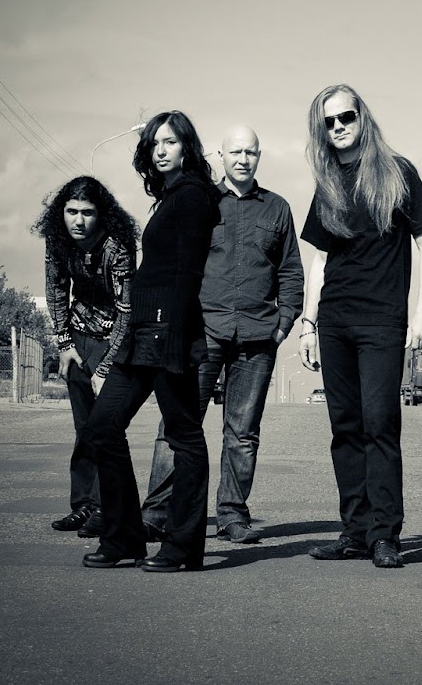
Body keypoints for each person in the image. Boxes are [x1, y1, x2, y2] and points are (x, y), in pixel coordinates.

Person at [299, 84, 422, 568]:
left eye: (346, 117)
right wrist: (308, 322)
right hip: (334, 320)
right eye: (329, 122)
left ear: (363, 118)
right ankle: (355, 533)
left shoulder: (398, 172)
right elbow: (320, 259)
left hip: (382, 320)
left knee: (380, 423)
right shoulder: (327, 183)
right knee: (345, 428)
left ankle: (385, 535)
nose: (339, 127)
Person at [141, 124, 304, 543]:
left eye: (250, 152)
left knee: (243, 434)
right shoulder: (202, 201)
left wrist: (283, 324)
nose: (243, 159)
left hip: (258, 336)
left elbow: (290, 270)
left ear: (259, 156)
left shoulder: (277, 208)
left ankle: (232, 515)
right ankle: (156, 513)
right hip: (203, 333)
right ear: (221, 155)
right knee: (177, 425)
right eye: (236, 152)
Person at [82, 110, 220, 572]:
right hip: (142, 331)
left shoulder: (193, 196)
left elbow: (189, 271)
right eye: (155, 143)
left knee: (184, 436)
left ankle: (184, 547)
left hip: (168, 332)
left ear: (187, 148)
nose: (161, 150)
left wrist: (177, 336)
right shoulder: (168, 195)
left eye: (170, 142)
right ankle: (124, 537)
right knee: (102, 426)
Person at [33, 177, 139, 538]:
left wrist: (107, 366)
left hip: (115, 340)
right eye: (71, 211)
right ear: (61, 213)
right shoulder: (58, 240)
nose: (78, 220)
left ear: (101, 214)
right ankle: (83, 505)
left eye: (87, 212)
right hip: (77, 339)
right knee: (84, 429)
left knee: (105, 427)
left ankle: (106, 508)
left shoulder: (118, 246)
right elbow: (55, 289)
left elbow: (127, 309)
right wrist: (64, 344)